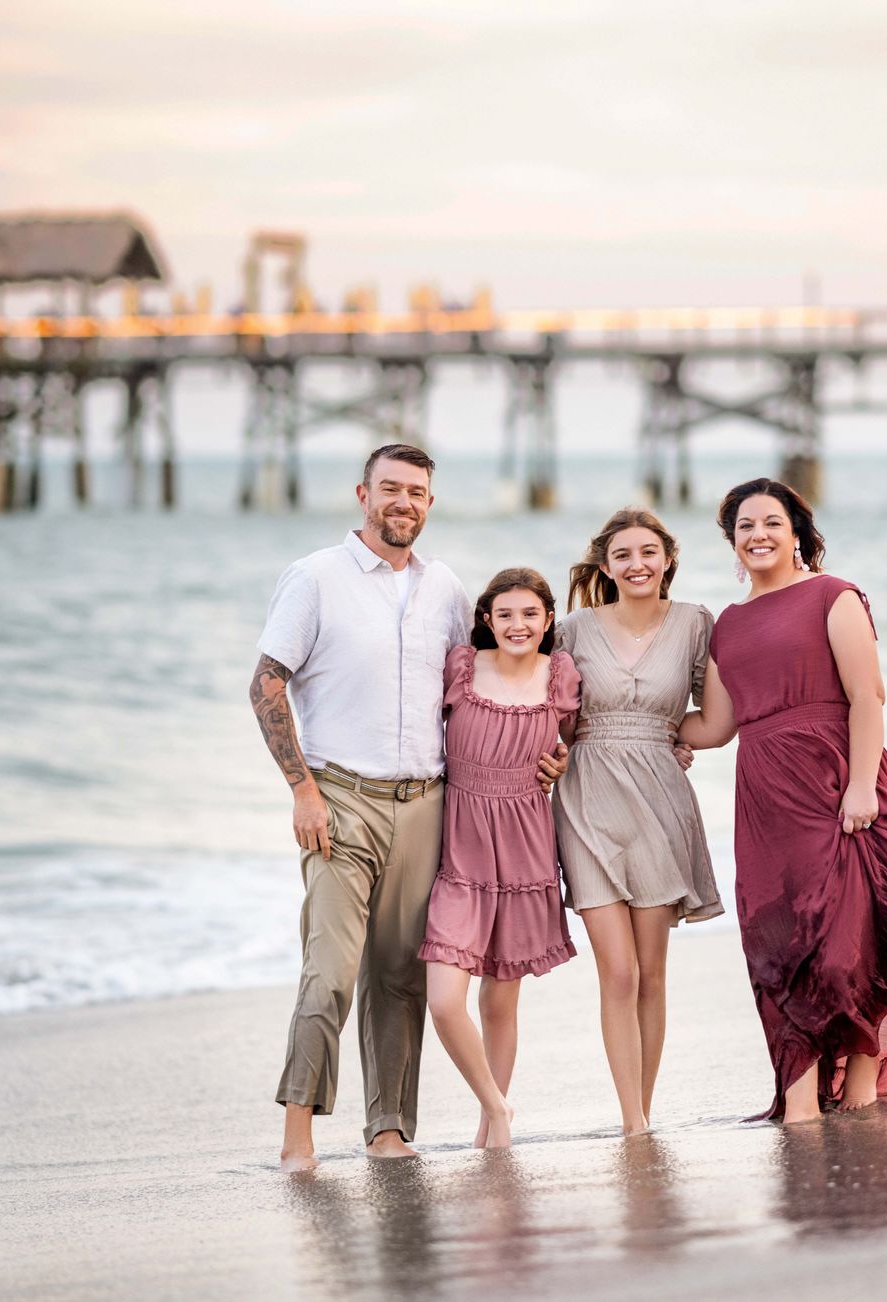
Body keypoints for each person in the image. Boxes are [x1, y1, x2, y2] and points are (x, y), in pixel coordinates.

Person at [250, 444, 569, 1172]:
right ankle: (298, 1129)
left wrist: (553, 755)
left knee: (400, 975)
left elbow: (495, 683)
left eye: (417, 492)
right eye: (390, 489)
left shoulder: (447, 590)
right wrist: (302, 789)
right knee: (330, 969)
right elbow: (266, 684)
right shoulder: (316, 579)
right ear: (363, 493)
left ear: (431, 502)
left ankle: (389, 1129)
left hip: (427, 804)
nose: (403, 502)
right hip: (339, 797)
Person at [678, 478, 887, 1123]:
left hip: (840, 782)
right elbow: (717, 726)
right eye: (745, 525)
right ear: (731, 539)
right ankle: (801, 1102)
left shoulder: (834, 597)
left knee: (850, 943)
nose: (758, 535)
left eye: (771, 523)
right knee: (778, 944)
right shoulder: (728, 623)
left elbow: (867, 698)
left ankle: (861, 1092)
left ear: (797, 533)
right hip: (765, 799)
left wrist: (862, 785)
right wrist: (628, 725)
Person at [552, 507, 722, 1136]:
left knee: (651, 973)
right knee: (617, 972)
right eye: (623, 555)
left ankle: (643, 1113)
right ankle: (631, 1120)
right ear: (605, 565)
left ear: (668, 559)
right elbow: (554, 718)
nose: (637, 564)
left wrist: (671, 738)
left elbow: (718, 719)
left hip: (659, 801)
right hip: (586, 797)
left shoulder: (695, 623)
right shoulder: (570, 629)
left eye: (648, 552)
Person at [419, 568, 581, 1149]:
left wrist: (559, 760)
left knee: (501, 997)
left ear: (547, 620)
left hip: (525, 846)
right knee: (444, 1000)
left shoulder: (559, 676)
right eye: (505, 615)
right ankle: (498, 1105)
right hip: (460, 848)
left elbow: (579, 740)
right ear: (487, 620)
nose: (518, 625)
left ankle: (491, 1133)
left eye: (530, 614)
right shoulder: (461, 669)